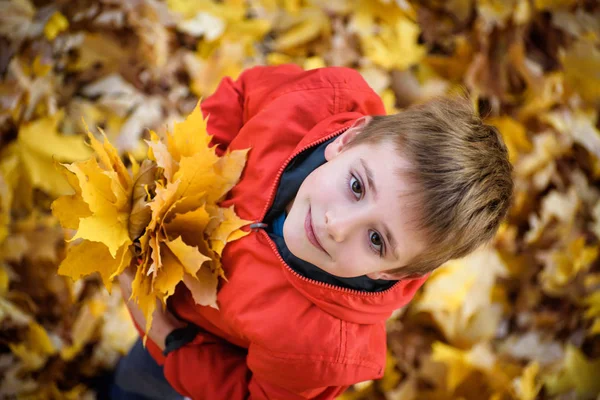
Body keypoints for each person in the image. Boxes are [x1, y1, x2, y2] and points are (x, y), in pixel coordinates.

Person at [112, 64, 513, 399]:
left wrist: (173, 342)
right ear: (350, 137)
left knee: (138, 386)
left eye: (376, 240)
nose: (336, 226)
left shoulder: (321, 348)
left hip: (181, 341)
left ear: (390, 273)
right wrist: (186, 173)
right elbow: (240, 96)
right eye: (357, 187)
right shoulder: (320, 100)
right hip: (156, 249)